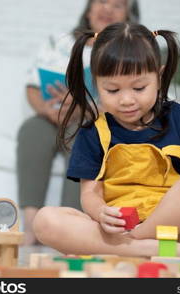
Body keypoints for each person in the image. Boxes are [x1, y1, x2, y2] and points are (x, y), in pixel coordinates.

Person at [32, 23, 180, 257]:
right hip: (118, 232)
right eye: (112, 90)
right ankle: (146, 250)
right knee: (45, 220)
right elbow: (90, 193)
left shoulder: (179, 119)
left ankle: (132, 247)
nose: (127, 100)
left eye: (139, 88)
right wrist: (101, 213)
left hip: (173, 233)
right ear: (97, 85)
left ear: (159, 78)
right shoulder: (93, 133)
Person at [18, 0, 140, 246]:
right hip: (53, 116)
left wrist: (82, 106)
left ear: (128, 15)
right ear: (89, 8)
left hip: (93, 120)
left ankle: (69, 225)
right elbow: (32, 88)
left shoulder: (132, 50)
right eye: (102, 1)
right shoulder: (58, 43)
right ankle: (31, 226)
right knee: (32, 130)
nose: (107, 9)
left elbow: (135, 97)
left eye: (117, 5)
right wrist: (49, 110)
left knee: (84, 135)